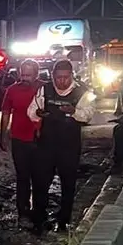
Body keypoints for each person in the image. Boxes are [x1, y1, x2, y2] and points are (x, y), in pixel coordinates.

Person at [27, 59, 96, 233]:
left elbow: (88, 115)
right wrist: (38, 113)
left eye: (65, 77)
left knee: (68, 183)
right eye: (58, 78)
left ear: (71, 75)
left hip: (69, 145)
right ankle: (39, 218)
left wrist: (74, 112)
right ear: (53, 76)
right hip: (46, 144)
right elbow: (31, 111)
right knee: (41, 181)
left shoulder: (84, 92)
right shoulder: (45, 89)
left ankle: (64, 220)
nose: (62, 81)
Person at [0, 59, 44, 225]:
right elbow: (5, 113)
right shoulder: (12, 90)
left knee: (40, 177)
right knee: (23, 177)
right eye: (23, 74)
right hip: (19, 140)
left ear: (36, 74)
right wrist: (3, 136)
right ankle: (23, 213)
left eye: (29, 75)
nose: (25, 78)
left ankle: (39, 211)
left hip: (40, 140)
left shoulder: (44, 89)